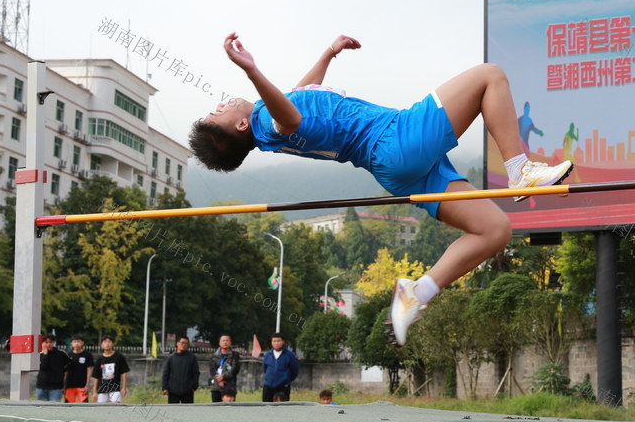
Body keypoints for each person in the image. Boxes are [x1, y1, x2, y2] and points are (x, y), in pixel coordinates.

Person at [189, 34, 573, 346]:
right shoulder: (267, 121)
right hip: (394, 139)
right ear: (240, 126)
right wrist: (253, 71)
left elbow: (300, 93)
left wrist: (328, 53)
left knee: (494, 230)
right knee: (489, 75)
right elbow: (290, 115)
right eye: (218, 110)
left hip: (394, 170)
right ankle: (520, 170)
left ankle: (417, 294)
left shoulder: (266, 128)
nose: (221, 103)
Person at [91, 335, 130, 403]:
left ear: (113, 344)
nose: (107, 344)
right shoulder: (99, 360)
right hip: (102, 389)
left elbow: (124, 373)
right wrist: (94, 392)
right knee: (101, 410)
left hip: (115, 389)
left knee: (116, 407)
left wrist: (124, 388)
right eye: (105, 342)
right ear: (101, 345)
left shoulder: (119, 357)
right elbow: (96, 377)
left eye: (109, 342)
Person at [261, 333, 299, 402]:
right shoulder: (268, 355)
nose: (276, 343)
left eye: (278, 341)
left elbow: (294, 371)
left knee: (282, 408)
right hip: (268, 386)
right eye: (274, 341)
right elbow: (265, 368)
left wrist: (286, 380)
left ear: (283, 342)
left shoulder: (290, 355)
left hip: (283, 387)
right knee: (266, 407)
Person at [162, 336, 200, 404]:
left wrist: (194, 386)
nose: (184, 345)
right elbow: (166, 373)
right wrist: (165, 387)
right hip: (173, 391)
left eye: (186, 343)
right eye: (182, 343)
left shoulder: (192, 358)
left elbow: (196, 373)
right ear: (177, 343)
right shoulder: (171, 358)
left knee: (187, 412)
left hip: (188, 390)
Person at [35, 333, 69, 401]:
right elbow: (43, 367)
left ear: (54, 342)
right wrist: (45, 354)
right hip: (42, 386)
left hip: (56, 387)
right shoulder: (40, 355)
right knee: (40, 408)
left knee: (54, 408)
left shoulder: (61, 354)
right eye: (46, 342)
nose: (48, 344)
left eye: (50, 342)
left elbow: (69, 365)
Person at [209, 334, 241, 402]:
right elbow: (212, 370)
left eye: (227, 340)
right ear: (219, 343)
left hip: (229, 387)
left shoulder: (235, 355)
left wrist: (223, 376)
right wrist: (219, 380)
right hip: (216, 387)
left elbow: (235, 369)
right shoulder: (214, 356)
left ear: (230, 342)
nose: (225, 342)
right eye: (223, 340)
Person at [64, 334, 93, 403]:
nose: (76, 344)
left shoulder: (87, 355)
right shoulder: (68, 355)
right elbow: (65, 371)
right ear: (71, 343)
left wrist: (87, 385)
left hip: (82, 385)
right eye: (74, 342)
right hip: (70, 385)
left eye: (78, 341)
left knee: (84, 406)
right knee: (69, 407)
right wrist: (64, 385)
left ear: (82, 343)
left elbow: (89, 370)